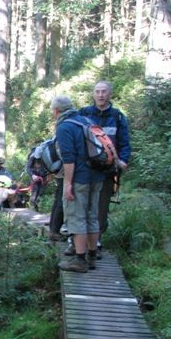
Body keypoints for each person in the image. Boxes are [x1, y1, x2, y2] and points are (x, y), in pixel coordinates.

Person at [52, 95, 104, 272]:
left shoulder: (65, 126)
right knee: (92, 215)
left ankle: (80, 260)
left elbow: (69, 158)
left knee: (77, 217)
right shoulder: (86, 121)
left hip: (80, 178)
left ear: (57, 111)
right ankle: (91, 255)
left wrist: (68, 183)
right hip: (97, 175)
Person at [78, 80, 132, 247]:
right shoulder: (83, 113)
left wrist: (123, 160)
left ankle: (96, 239)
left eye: (104, 92)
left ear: (110, 94)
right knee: (82, 202)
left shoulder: (117, 116)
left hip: (108, 168)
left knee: (102, 205)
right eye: (97, 91)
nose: (100, 95)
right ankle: (78, 238)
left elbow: (124, 142)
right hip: (86, 167)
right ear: (93, 94)